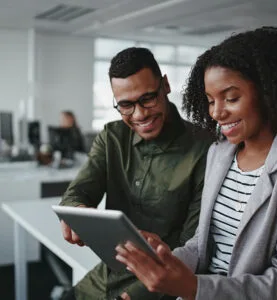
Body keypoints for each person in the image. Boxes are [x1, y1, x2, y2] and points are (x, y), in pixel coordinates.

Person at [115, 27, 277, 299]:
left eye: (231, 98)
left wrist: (194, 287)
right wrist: (166, 259)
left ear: (268, 92)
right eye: (211, 100)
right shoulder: (219, 154)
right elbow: (202, 245)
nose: (217, 112)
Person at [59, 47, 212, 300]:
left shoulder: (204, 149)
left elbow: (193, 246)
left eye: (148, 98)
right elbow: (78, 191)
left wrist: (137, 294)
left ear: (165, 85)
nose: (140, 114)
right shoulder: (111, 137)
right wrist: (76, 209)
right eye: (126, 105)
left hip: (156, 289)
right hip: (104, 279)